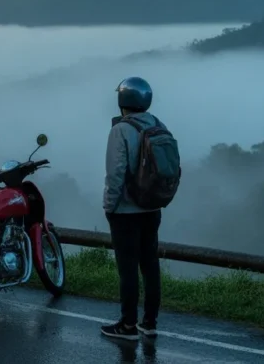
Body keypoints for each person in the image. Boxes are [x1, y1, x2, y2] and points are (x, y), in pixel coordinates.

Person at [100, 76, 169, 341]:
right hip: (152, 207)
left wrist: (109, 206)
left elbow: (115, 173)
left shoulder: (121, 130)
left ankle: (127, 325)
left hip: (126, 212)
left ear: (122, 100)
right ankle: (149, 323)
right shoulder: (157, 124)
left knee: (127, 268)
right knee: (150, 265)